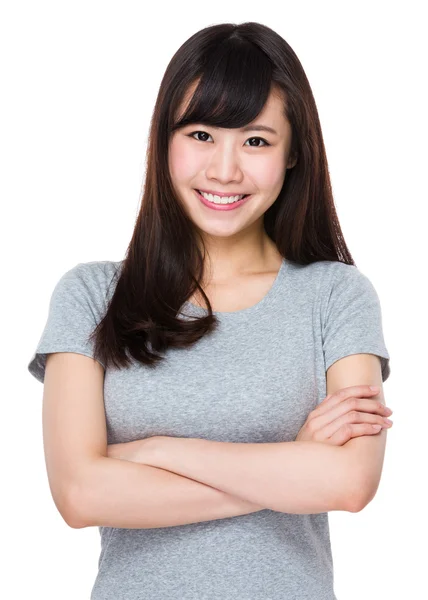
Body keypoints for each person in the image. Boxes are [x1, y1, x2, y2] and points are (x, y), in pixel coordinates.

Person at [28, 21, 391, 600]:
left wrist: (153, 454)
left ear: (293, 152)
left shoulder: (335, 296)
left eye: (255, 141)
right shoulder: (92, 296)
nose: (225, 170)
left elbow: (349, 482)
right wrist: (292, 467)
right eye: (200, 134)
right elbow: (79, 496)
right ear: (163, 140)